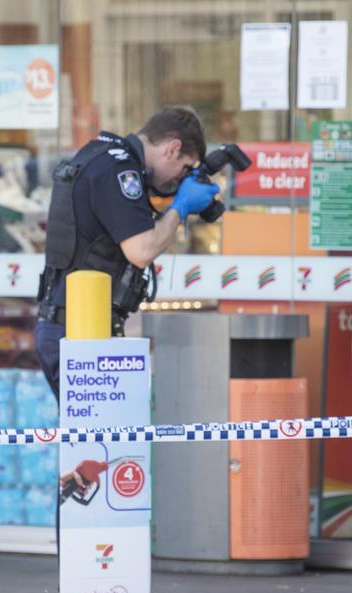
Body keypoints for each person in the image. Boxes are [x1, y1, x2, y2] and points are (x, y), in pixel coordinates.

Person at [34, 108, 219, 399]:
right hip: (81, 331)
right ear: (173, 148)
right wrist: (180, 207)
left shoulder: (102, 157)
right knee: (100, 440)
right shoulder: (121, 170)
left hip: (74, 325)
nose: (178, 181)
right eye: (184, 169)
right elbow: (142, 250)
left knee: (95, 440)